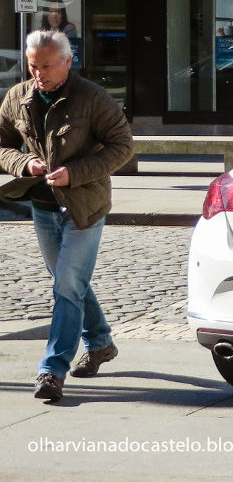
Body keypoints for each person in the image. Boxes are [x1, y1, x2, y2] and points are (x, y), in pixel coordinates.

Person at [0, 30, 134, 402]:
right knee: (69, 283)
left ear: (67, 62)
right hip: (42, 206)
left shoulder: (93, 97)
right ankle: (101, 343)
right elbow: (2, 144)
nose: (38, 74)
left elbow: (122, 146)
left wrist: (75, 173)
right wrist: (23, 162)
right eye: (32, 66)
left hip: (84, 207)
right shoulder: (17, 97)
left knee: (67, 286)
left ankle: (52, 370)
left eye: (46, 66)